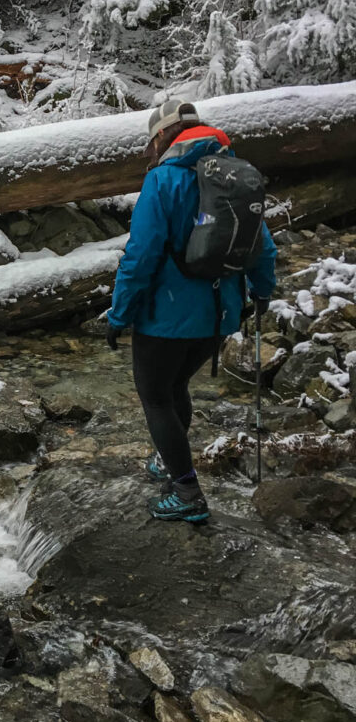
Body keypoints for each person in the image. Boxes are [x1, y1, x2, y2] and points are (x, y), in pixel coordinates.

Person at [106, 100, 277, 523]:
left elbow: (141, 255)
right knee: (176, 384)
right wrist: (261, 294)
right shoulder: (237, 178)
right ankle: (170, 463)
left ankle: (185, 490)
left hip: (166, 316)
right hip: (220, 313)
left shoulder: (163, 180)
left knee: (155, 395)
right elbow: (264, 248)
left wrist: (119, 313)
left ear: (163, 137)